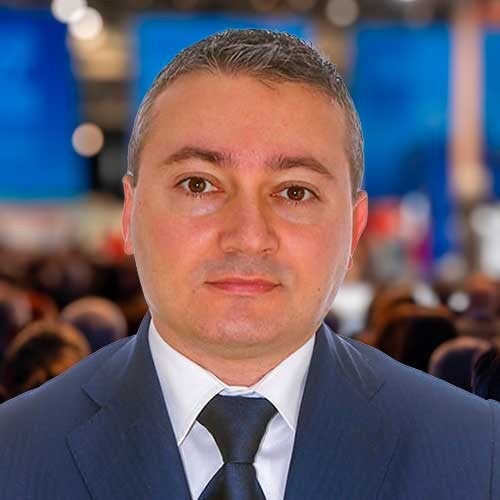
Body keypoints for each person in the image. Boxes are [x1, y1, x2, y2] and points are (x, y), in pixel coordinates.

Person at [0, 29, 499, 500]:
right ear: (130, 214)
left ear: (354, 228)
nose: (248, 236)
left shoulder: (477, 455)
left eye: (295, 192)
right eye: (198, 184)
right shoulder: (15, 453)